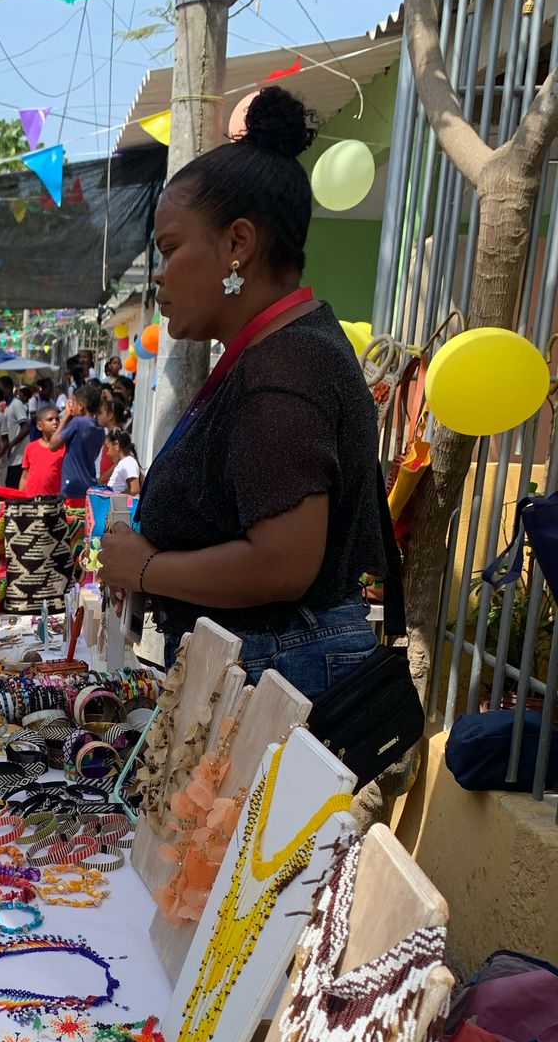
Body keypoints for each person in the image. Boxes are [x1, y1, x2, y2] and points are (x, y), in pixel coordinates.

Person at [97, 87, 384, 699]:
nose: (158, 272)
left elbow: (280, 564)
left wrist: (146, 567)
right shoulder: (279, 352)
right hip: (271, 666)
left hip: (281, 677)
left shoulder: (283, 369)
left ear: (237, 245)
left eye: (170, 249)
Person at [49, 383, 104, 511]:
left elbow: (53, 444)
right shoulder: (100, 429)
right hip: (88, 487)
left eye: (73, 403)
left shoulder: (78, 422)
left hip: (72, 488)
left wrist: (66, 417)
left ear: (81, 405)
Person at [20, 405, 63, 495]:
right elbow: (25, 476)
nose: (55, 422)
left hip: (53, 501)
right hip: (30, 499)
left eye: (57, 419)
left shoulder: (64, 448)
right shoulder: (30, 447)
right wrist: (20, 496)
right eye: (50, 419)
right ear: (39, 426)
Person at [103, 427, 141, 496]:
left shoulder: (128, 462)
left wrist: (116, 497)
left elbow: (135, 489)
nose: (107, 453)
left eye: (108, 448)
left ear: (117, 445)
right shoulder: (124, 462)